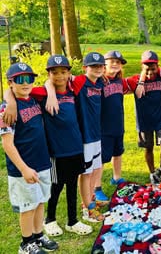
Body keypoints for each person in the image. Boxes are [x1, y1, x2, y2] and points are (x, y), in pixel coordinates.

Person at [0, 63, 58, 254]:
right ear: (10, 82)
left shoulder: (32, 99)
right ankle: (26, 243)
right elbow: (7, 144)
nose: (26, 83)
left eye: (29, 79)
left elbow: (51, 84)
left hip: (42, 162)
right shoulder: (5, 110)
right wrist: (24, 168)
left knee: (40, 201)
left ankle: (38, 234)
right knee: (28, 206)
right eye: (20, 79)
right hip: (23, 168)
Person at [46, 52, 106, 222]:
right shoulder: (79, 81)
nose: (97, 69)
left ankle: (91, 199)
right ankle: (87, 208)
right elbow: (53, 80)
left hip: (96, 135)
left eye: (100, 66)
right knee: (85, 174)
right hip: (84, 137)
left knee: (94, 169)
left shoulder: (100, 82)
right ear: (85, 68)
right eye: (93, 66)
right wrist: (50, 93)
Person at [36, 55, 92, 236]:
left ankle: (72, 220)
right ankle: (49, 219)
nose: (59, 76)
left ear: (69, 73)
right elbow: (14, 92)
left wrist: (69, 80)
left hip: (75, 147)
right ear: (49, 74)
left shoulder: (72, 91)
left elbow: (85, 77)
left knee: (72, 184)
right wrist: (49, 90)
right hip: (57, 151)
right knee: (56, 185)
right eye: (54, 73)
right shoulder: (42, 94)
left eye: (63, 72)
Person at [125, 50, 161, 184]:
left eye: (153, 68)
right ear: (142, 67)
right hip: (144, 121)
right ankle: (152, 173)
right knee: (148, 148)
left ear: (158, 66)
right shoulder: (135, 80)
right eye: (147, 69)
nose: (150, 72)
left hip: (160, 119)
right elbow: (117, 81)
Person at [93, 50, 128, 203]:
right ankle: (97, 187)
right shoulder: (98, 81)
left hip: (118, 124)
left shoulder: (119, 81)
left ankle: (116, 177)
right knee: (101, 159)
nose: (115, 64)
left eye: (118, 62)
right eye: (112, 61)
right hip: (103, 127)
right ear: (104, 64)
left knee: (117, 152)